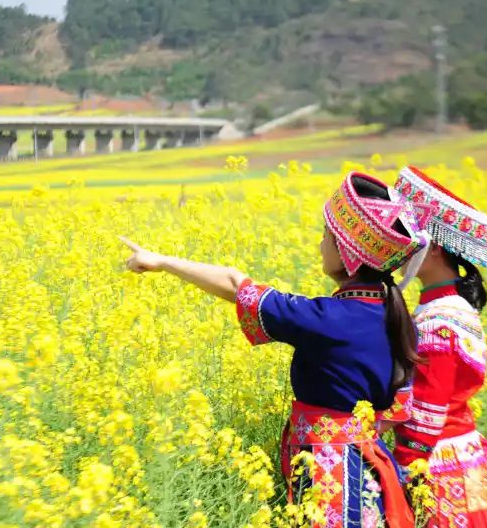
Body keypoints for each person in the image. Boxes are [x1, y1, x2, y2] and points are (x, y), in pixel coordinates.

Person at [121, 170, 437, 528]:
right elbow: (397, 409)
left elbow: (234, 283)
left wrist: (162, 262)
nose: (320, 245)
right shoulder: (397, 317)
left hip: (330, 479)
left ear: (348, 254)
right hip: (371, 473)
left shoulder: (328, 319)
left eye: (326, 237)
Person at [390, 166, 487, 528]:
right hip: (460, 454)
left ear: (436, 249)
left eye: (411, 239)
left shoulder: (441, 319)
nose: (401, 246)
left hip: (440, 464)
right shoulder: (446, 307)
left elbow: (429, 404)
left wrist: (403, 465)